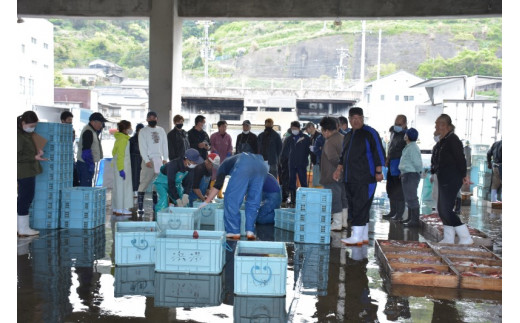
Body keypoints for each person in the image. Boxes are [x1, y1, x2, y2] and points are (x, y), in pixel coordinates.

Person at [333, 107, 385, 245]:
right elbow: (343, 155)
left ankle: (356, 236)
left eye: (358, 118)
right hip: (350, 177)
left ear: (363, 118)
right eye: (353, 118)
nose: (356, 121)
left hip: (365, 177)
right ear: (349, 120)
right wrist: (339, 169)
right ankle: (362, 236)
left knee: (360, 205)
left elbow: (379, 152)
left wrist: (379, 172)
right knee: (356, 205)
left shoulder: (370, 133)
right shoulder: (349, 135)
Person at [200, 153, 268, 240]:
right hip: (262, 165)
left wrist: (207, 201)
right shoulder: (232, 160)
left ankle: (233, 232)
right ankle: (250, 231)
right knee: (253, 202)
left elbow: (218, 185)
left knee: (231, 199)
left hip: (245, 163)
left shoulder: (222, 166)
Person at [433, 114, 472, 245]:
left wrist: (464, 175)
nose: (437, 127)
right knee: (442, 209)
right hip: (443, 178)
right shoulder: (442, 140)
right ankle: (449, 238)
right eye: (436, 124)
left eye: (440, 124)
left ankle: (466, 237)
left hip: (451, 179)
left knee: (446, 210)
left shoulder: (453, 140)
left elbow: (461, 159)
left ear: (447, 126)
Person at [17, 111, 46, 236]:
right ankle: (23, 228)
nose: (32, 128)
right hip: (23, 171)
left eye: (34, 125)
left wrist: (37, 151)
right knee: (26, 197)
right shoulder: (18, 136)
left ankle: (20, 227)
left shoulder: (25, 134)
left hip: (28, 170)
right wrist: (34, 157)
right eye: (31, 125)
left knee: (25, 197)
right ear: (23, 123)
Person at [137, 111, 169, 217]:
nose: (152, 119)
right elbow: (142, 146)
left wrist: (165, 158)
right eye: (150, 118)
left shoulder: (161, 130)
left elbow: (165, 144)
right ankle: (140, 208)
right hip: (149, 160)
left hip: (159, 160)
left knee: (157, 184)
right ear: (147, 120)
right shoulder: (143, 131)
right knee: (144, 183)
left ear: (157, 119)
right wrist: (146, 160)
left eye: (154, 118)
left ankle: (155, 206)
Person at [319, 116, 348, 231]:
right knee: (343, 198)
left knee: (335, 198)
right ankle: (344, 222)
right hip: (343, 174)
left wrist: (338, 169)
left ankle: (336, 223)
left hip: (332, 175)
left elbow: (333, 159)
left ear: (326, 130)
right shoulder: (343, 137)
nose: (322, 133)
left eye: (322, 131)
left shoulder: (329, 142)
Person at [382, 115, 408, 221]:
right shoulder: (394, 133)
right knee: (390, 188)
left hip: (400, 165)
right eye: (396, 123)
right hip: (392, 163)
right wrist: (387, 159)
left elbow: (406, 153)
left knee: (399, 190)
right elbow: (391, 147)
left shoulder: (407, 135)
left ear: (405, 124)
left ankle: (399, 214)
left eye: (399, 124)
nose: (397, 126)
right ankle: (392, 211)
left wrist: (403, 168)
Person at [281, 121, 311, 205]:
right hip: (291, 164)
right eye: (292, 128)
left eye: (295, 128)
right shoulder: (288, 139)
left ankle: (305, 199)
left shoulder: (305, 138)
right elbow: (284, 152)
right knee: (292, 182)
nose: (293, 130)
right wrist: (283, 162)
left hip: (302, 164)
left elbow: (309, 151)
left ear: (299, 128)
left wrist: (307, 159)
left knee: (303, 182)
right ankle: (293, 200)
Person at [398, 128, 423, 227]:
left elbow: (417, 163)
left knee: (412, 198)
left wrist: (416, 172)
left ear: (408, 136)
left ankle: (415, 221)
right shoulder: (409, 146)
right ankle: (410, 218)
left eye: (406, 134)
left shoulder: (412, 148)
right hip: (407, 174)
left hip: (411, 175)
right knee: (408, 198)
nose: (405, 136)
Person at [76, 112, 108, 187]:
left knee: (88, 185)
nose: (101, 125)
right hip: (85, 164)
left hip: (86, 163)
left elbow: (96, 134)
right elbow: (86, 152)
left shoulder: (92, 130)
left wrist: (101, 128)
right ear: (93, 122)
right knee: (86, 187)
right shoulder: (88, 132)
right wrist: (90, 164)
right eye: (100, 123)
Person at [111, 120, 134, 215]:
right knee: (122, 187)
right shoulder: (123, 140)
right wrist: (121, 169)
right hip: (122, 167)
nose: (130, 129)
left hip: (121, 166)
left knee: (119, 187)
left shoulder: (120, 138)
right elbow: (120, 155)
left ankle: (118, 207)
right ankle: (120, 209)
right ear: (125, 129)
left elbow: (113, 152)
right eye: (129, 127)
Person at [60, 111, 79, 187]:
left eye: (71, 120)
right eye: (69, 119)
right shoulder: (58, 130)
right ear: (63, 120)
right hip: (61, 159)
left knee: (74, 179)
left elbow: (71, 141)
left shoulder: (72, 130)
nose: (70, 122)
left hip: (70, 158)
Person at [305, 122, 325, 188]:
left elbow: (322, 148)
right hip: (314, 161)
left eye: (307, 129)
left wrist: (315, 148)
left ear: (311, 127)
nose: (306, 131)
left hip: (318, 161)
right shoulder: (311, 137)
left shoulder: (319, 136)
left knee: (317, 181)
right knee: (315, 181)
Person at [278, 128, 292, 207]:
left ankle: (283, 197)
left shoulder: (283, 138)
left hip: (280, 163)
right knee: (286, 181)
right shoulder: (288, 140)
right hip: (285, 163)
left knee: (282, 181)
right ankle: (284, 197)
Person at [129, 123, 144, 195]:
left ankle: (139, 190)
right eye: (139, 130)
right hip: (134, 159)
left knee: (141, 175)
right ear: (137, 131)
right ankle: (134, 190)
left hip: (142, 159)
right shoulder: (132, 140)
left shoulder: (145, 140)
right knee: (134, 174)